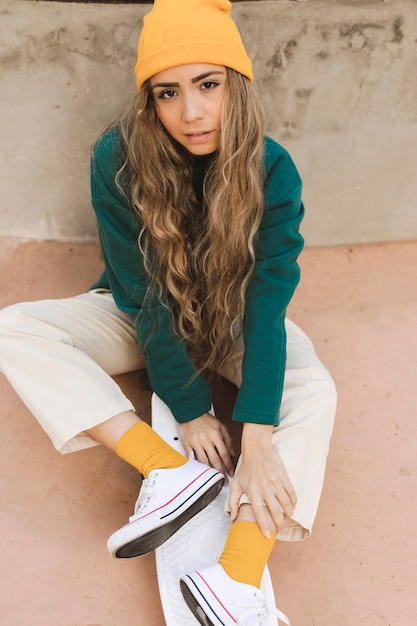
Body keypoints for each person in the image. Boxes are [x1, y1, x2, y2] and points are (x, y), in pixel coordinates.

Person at [0, 0, 337, 624]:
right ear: (149, 100)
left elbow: (267, 302)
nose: (191, 112)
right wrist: (192, 413)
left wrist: (256, 435)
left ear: (236, 85)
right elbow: (147, 298)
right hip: (142, 318)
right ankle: (169, 474)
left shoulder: (273, 170)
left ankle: (234, 580)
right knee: (14, 328)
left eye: (208, 85)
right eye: (167, 92)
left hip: (233, 320)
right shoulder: (119, 159)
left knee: (314, 388)